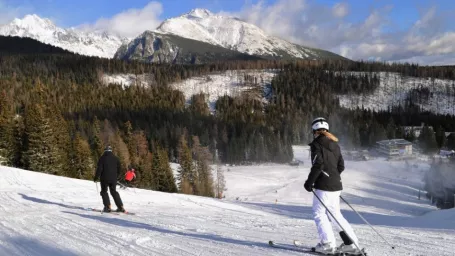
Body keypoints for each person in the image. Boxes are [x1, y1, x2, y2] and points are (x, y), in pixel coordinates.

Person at [304, 117, 360, 255]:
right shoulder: (335, 144)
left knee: (319, 213)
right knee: (335, 214)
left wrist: (310, 182)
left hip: (324, 186)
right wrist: (332, 176)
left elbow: (318, 164)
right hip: (336, 185)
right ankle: (351, 244)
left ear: (315, 131)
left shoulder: (317, 144)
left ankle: (327, 244)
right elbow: (341, 166)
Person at [94, 145, 126, 213]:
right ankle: (121, 207)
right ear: (111, 150)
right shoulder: (116, 158)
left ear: (105, 150)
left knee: (104, 191)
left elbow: (99, 168)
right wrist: (117, 176)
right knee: (114, 192)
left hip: (104, 178)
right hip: (113, 179)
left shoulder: (102, 158)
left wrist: (96, 177)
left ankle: (107, 207)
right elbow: (119, 168)